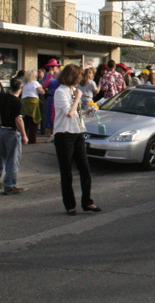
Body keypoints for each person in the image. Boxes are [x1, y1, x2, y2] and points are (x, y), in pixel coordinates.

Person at [53, 64, 101, 215]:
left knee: (85, 169)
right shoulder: (60, 92)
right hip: (64, 134)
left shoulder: (74, 91)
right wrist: (78, 97)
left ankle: (87, 202)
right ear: (72, 77)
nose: (80, 79)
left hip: (78, 132)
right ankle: (70, 205)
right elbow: (69, 112)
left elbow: (77, 113)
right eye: (78, 76)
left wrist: (88, 111)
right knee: (66, 172)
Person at [0, 77, 28, 194]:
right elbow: (18, 120)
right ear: (21, 88)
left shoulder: (4, 97)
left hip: (3, 130)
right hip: (12, 132)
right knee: (13, 159)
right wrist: (24, 135)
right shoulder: (18, 102)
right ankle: (9, 185)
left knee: (1, 156)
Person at [21, 69, 44, 144]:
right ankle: (32, 139)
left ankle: (23, 137)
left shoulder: (24, 83)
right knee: (33, 121)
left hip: (24, 101)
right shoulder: (35, 83)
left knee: (25, 121)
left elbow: (21, 92)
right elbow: (41, 92)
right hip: (33, 102)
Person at [41, 58, 61, 137]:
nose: (51, 68)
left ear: (57, 67)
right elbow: (44, 86)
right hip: (51, 96)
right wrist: (49, 76)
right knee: (50, 114)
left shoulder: (62, 74)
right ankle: (51, 130)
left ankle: (59, 130)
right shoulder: (47, 75)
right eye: (50, 67)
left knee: (58, 113)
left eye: (53, 66)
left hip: (60, 96)